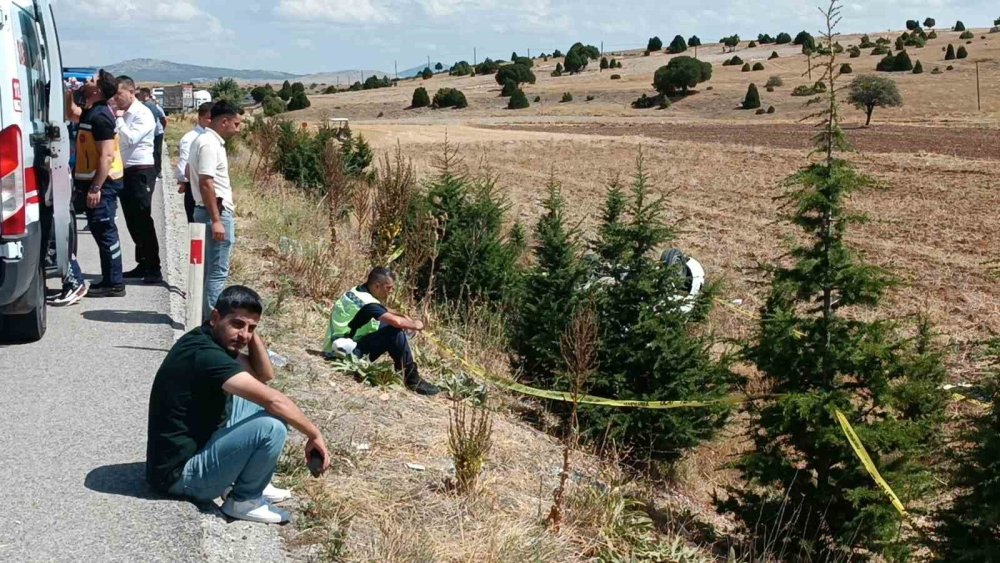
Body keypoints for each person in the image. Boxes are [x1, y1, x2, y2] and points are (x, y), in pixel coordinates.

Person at [146, 285, 331, 524]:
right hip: (178, 478)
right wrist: (314, 434)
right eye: (237, 324)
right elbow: (273, 399)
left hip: (192, 450)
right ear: (215, 318)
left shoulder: (208, 338)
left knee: (257, 404)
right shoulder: (206, 355)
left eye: (251, 328)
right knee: (272, 423)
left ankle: (255, 482)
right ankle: (244, 501)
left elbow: (264, 374)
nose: (244, 335)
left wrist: (248, 331)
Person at [322, 268, 440, 396]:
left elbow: (380, 309)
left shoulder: (356, 292)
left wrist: (403, 315)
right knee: (394, 331)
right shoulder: (369, 304)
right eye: (388, 288)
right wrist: (416, 324)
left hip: (333, 346)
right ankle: (412, 379)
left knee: (387, 325)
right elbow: (397, 322)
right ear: (377, 286)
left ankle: (403, 361)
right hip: (346, 355)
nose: (391, 292)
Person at [64, 70, 126, 298]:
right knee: (102, 232)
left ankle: (114, 283)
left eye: (91, 80)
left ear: (97, 90)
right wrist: (69, 93)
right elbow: (71, 113)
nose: (86, 82)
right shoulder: (92, 111)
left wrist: (95, 188)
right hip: (93, 181)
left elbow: (106, 156)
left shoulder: (100, 117)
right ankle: (110, 279)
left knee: (105, 231)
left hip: (102, 183)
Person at [188, 101, 242, 319]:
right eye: (236, 124)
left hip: (206, 211)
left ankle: (203, 320)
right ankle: (214, 325)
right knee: (217, 272)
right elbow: (206, 182)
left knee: (207, 271)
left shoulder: (202, 140)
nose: (238, 129)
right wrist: (217, 219)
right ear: (224, 121)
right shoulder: (210, 144)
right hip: (215, 213)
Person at [112, 75, 162, 284]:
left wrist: (119, 119)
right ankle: (142, 263)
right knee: (132, 219)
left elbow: (131, 138)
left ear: (131, 92)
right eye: (114, 95)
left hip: (141, 170)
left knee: (143, 218)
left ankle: (154, 267)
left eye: (120, 94)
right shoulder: (123, 113)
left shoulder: (142, 113)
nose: (117, 99)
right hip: (126, 170)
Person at [176, 102, 212, 223]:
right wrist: (183, 181)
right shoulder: (190, 138)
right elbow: (183, 165)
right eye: (208, 118)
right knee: (196, 232)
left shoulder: (214, 138)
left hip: (212, 188)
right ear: (200, 118)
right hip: (195, 187)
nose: (211, 122)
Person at [137, 87, 167, 179]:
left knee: (156, 152)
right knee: (155, 152)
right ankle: (156, 171)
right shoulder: (149, 105)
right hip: (155, 132)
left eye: (141, 94)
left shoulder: (151, 106)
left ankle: (157, 171)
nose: (139, 96)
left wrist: (162, 128)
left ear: (145, 94)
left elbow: (163, 119)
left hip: (156, 132)